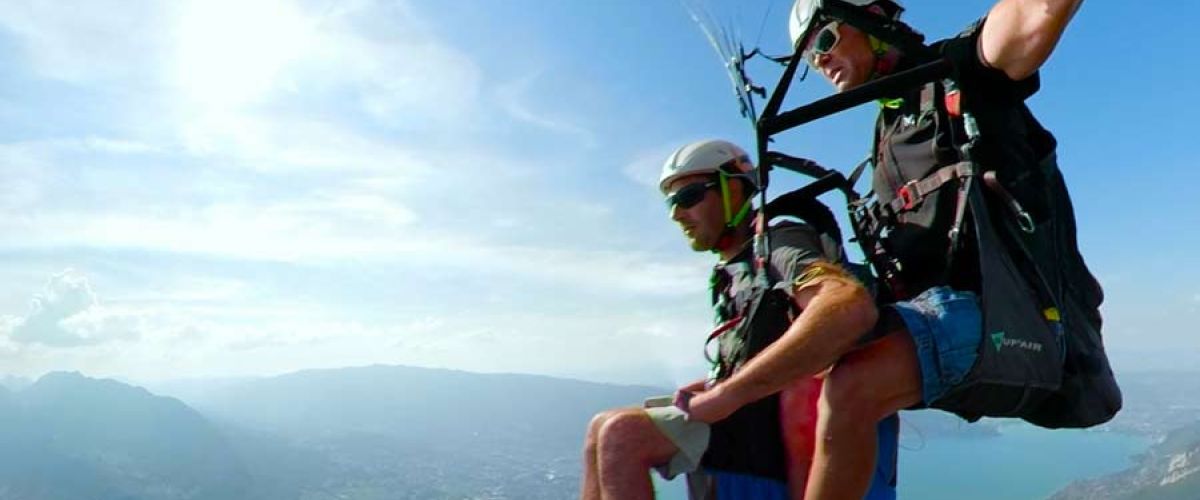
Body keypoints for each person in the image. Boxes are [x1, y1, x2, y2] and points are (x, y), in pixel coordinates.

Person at [675, 1, 1093, 499]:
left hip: (1013, 321)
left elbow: (1031, 19)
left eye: (824, 40)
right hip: (943, 319)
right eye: (808, 55)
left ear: (873, 20)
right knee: (812, 354)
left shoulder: (956, 73)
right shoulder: (887, 139)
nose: (819, 60)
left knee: (852, 387)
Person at [579, 139, 897, 500]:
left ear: (734, 189)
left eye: (688, 198)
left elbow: (844, 304)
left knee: (623, 436)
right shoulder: (738, 269)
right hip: (749, 419)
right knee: (600, 430)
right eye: (671, 203)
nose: (676, 214)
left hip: (768, 434)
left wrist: (727, 394)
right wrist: (715, 383)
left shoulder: (780, 242)